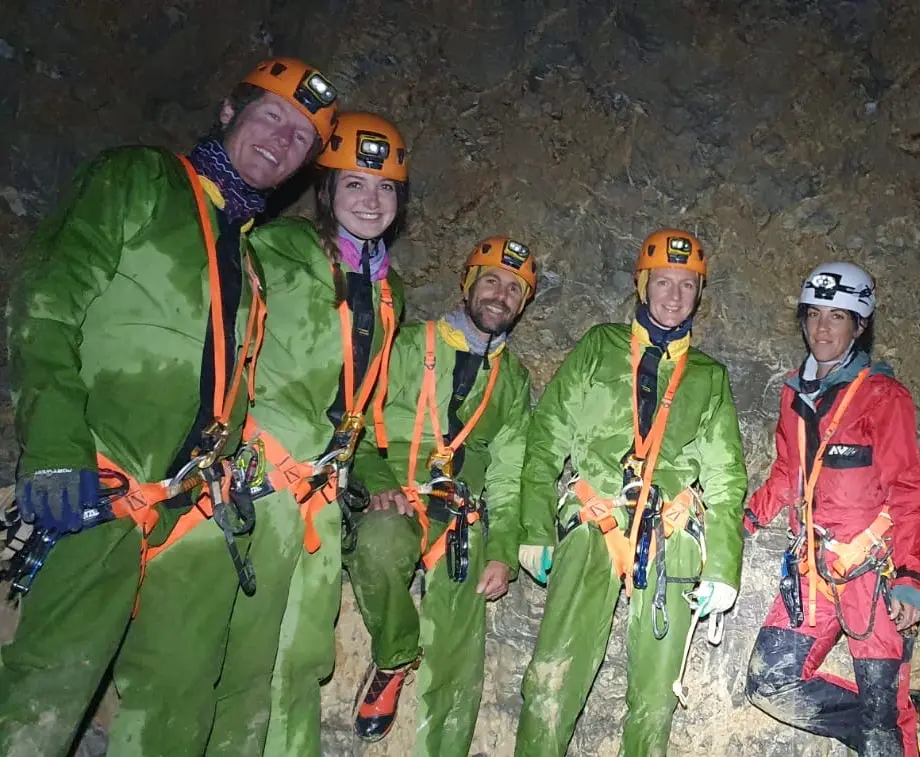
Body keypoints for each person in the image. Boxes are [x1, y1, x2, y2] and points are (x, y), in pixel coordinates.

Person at [0, 57, 338, 756]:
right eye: (272, 116)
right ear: (229, 110)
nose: (282, 140)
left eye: (301, 138)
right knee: (45, 694)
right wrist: (55, 443)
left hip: (191, 507)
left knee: (178, 708)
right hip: (96, 483)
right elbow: (46, 303)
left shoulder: (249, 255)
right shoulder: (138, 179)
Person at [201, 112, 410, 757]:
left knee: (304, 654)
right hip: (258, 478)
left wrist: (373, 478)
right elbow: (219, 341)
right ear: (327, 191)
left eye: (386, 187)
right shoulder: (279, 248)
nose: (371, 201)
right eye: (355, 185)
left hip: (322, 488)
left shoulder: (388, 290)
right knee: (240, 651)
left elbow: (360, 404)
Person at [513, 228, 747, 757]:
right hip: (594, 517)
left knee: (656, 695)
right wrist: (533, 526)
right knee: (551, 677)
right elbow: (547, 436)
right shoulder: (600, 346)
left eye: (687, 285)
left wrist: (722, 567)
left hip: (670, 529)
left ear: (699, 294)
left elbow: (726, 476)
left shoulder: (707, 376)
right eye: (663, 282)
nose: (674, 296)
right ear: (642, 285)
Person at [343, 237, 535, 754]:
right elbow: (357, 420)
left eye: (514, 290)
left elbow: (510, 471)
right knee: (378, 542)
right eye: (491, 280)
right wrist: (376, 480)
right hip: (398, 493)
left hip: (459, 513)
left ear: (522, 305)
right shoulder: (407, 345)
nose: (500, 295)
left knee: (458, 649)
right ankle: (395, 656)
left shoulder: (512, 381)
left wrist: (503, 551)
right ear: (468, 284)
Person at [742, 262, 920, 756]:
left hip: (872, 576)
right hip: (812, 571)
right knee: (770, 683)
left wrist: (911, 578)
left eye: (838, 317)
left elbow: (907, 489)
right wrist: (744, 521)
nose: (822, 328)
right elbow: (787, 471)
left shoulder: (883, 397)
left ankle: (887, 722)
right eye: (814, 315)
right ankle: (890, 715)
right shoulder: (794, 393)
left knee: (882, 727)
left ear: (859, 325)